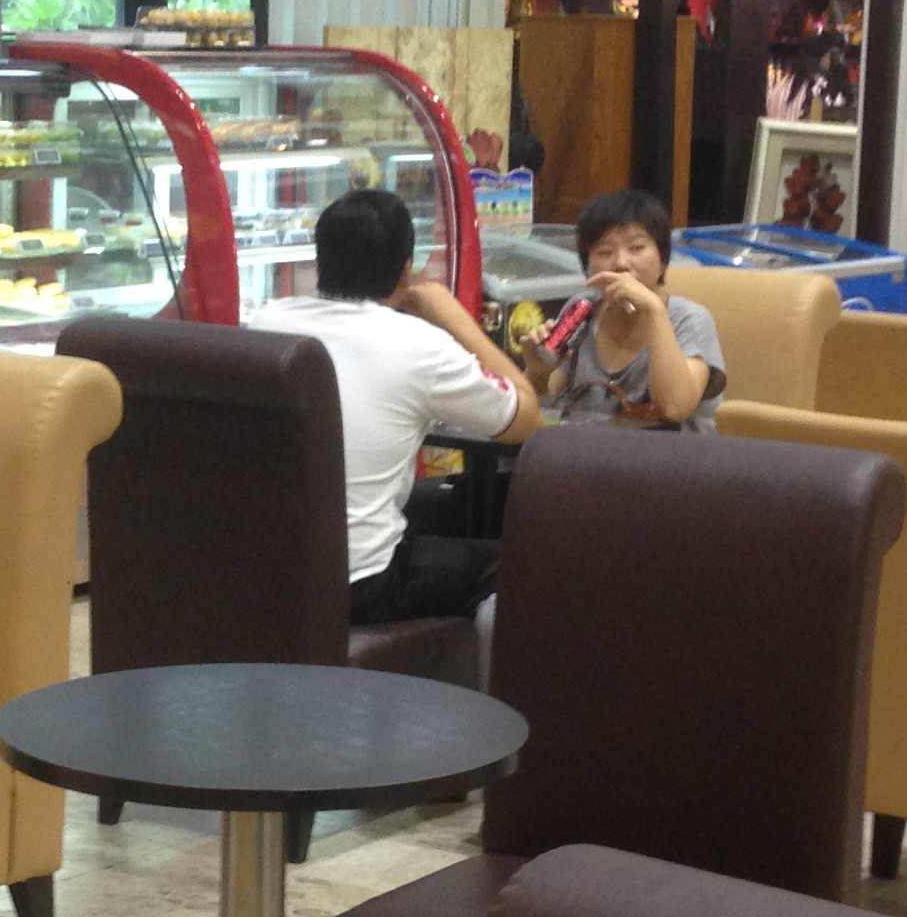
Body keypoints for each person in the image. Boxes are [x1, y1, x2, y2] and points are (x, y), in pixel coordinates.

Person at [250, 187, 537, 623]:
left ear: (319, 262)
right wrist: (454, 317)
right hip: (358, 583)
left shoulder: (265, 320)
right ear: (405, 272)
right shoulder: (421, 345)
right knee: (516, 560)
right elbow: (525, 419)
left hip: (265, 569)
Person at [517, 187, 726, 431]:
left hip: (668, 453)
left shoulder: (690, 319)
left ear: (663, 260)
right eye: (604, 252)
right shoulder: (581, 309)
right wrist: (537, 373)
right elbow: (545, 404)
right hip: (585, 450)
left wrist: (654, 310)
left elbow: (674, 408)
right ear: (588, 268)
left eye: (636, 248)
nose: (620, 264)